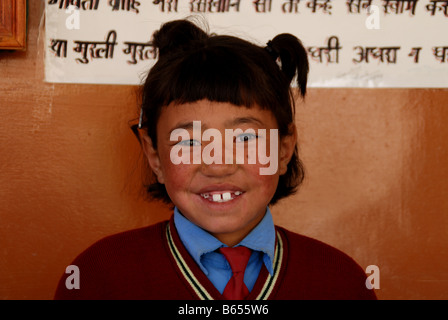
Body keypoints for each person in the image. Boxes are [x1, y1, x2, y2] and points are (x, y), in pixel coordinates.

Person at [54, 19, 377, 300]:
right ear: (154, 155)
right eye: (190, 141)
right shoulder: (98, 279)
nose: (218, 165)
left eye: (246, 138)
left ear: (283, 149)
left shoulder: (341, 283)